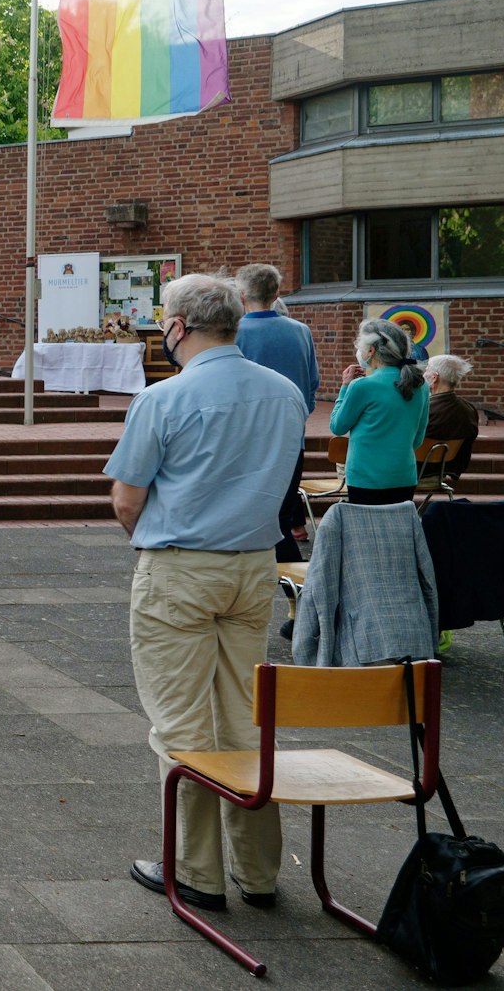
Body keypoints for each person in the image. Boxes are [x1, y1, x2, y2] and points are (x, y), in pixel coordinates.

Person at [104, 273, 306, 912]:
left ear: (179, 326)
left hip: (182, 567)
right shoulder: (285, 394)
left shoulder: (163, 399)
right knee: (245, 717)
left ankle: (195, 871)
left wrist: (160, 541)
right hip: (252, 565)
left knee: (182, 723)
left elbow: (127, 499)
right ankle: (259, 871)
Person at [234, 263, 319, 560]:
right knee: (282, 514)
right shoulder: (301, 331)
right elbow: (312, 384)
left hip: (246, 437)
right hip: (291, 435)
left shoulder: (233, 332)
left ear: (241, 294)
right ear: (277, 293)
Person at [330, 318, 430, 505]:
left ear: (371, 350)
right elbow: (418, 438)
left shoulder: (362, 386)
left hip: (365, 478)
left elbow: (337, 426)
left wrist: (344, 387)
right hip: (403, 475)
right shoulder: (421, 386)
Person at [424, 354, 479, 481]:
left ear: (434, 378)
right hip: (445, 470)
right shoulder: (469, 410)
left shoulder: (423, 408)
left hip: (415, 471)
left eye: (426, 369)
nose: (423, 374)